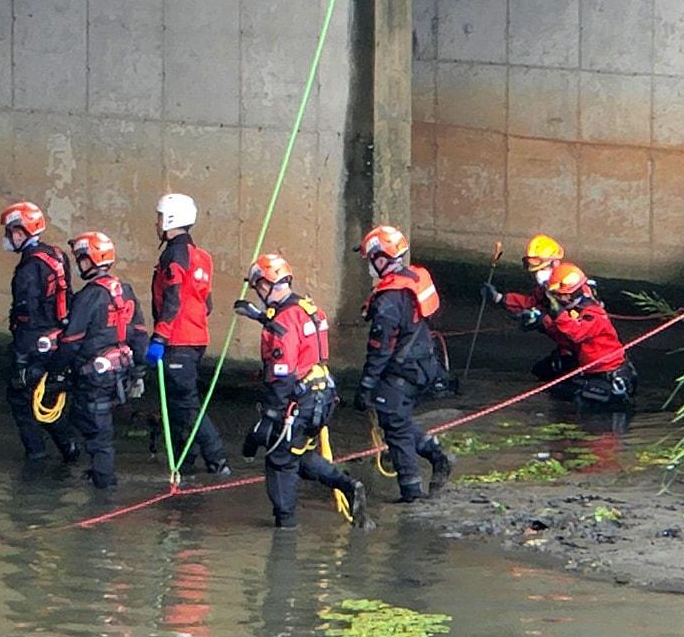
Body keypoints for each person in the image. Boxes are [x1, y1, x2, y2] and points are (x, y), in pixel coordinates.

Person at [233, 253, 368, 529]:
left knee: (279, 458)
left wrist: (270, 417)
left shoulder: (279, 326)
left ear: (265, 285)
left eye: (257, 287)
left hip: (299, 400)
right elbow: (298, 335)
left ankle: (286, 529)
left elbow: (282, 372)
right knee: (295, 453)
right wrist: (262, 318)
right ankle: (347, 485)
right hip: (323, 394)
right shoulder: (309, 307)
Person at [353, 225, 454, 503]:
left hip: (403, 370)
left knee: (394, 427)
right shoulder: (413, 280)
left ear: (382, 259)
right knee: (398, 419)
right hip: (424, 363)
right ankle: (436, 453)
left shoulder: (388, 301)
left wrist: (366, 385)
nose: (369, 267)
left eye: (371, 260)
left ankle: (411, 493)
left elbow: (380, 349)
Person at [50, 231, 147, 490]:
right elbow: (138, 333)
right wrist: (138, 371)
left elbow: (71, 341)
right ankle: (98, 473)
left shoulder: (89, 296)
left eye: (81, 259)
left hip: (93, 375)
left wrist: (55, 372)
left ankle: (104, 486)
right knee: (93, 424)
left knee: (97, 433)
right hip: (119, 371)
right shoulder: (124, 290)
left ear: (89, 260)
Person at [145, 193, 229, 476]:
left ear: (170, 220)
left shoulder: (173, 255)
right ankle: (186, 461)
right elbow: (207, 304)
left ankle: (217, 460)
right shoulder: (202, 257)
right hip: (195, 340)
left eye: (159, 217)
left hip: (177, 341)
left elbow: (172, 299)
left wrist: (159, 337)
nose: (156, 223)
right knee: (180, 405)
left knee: (185, 405)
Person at [0, 201, 80, 465]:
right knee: (47, 396)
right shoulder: (56, 255)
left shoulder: (28, 268)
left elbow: (26, 312)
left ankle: (37, 454)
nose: (9, 237)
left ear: (21, 232)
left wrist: (21, 353)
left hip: (34, 341)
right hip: (56, 336)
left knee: (21, 398)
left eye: (11, 231)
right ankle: (68, 447)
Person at [529, 262, 637, 411]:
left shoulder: (594, 315)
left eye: (560, 296)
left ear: (571, 294)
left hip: (609, 375)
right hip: (591, 371)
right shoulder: (577, 309)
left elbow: (576, 333)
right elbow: (565, 336)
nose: (558, 300)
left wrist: (557, 314)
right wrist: (542, 322)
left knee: (588, 405)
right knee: (552, 383)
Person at [481, 233, 576, 380]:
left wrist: (540, 320)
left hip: (584, 351)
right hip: (566, 348)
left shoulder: (570, 288)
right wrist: (499, 298)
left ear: (555, 263)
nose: (539, 274)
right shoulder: (546, 288)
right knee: (541, 371)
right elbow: (532, 303)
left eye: (542, 269)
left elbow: (574, 329)